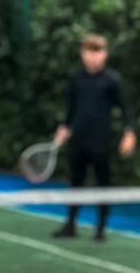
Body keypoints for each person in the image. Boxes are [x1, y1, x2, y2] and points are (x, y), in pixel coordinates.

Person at [52, 33, 135, 241]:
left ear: (104, 54)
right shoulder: (76, 80)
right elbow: (71, 108)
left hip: (100, 141)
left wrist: (129, 132)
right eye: (89, 52)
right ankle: (70, 225)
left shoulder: (112, 80)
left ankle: (101, 228)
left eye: (97, 52)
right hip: (77, 141)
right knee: (75, 182)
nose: (93, 57)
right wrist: (64, 128)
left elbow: (125, 109)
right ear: (83, 53)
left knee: (103, 184)